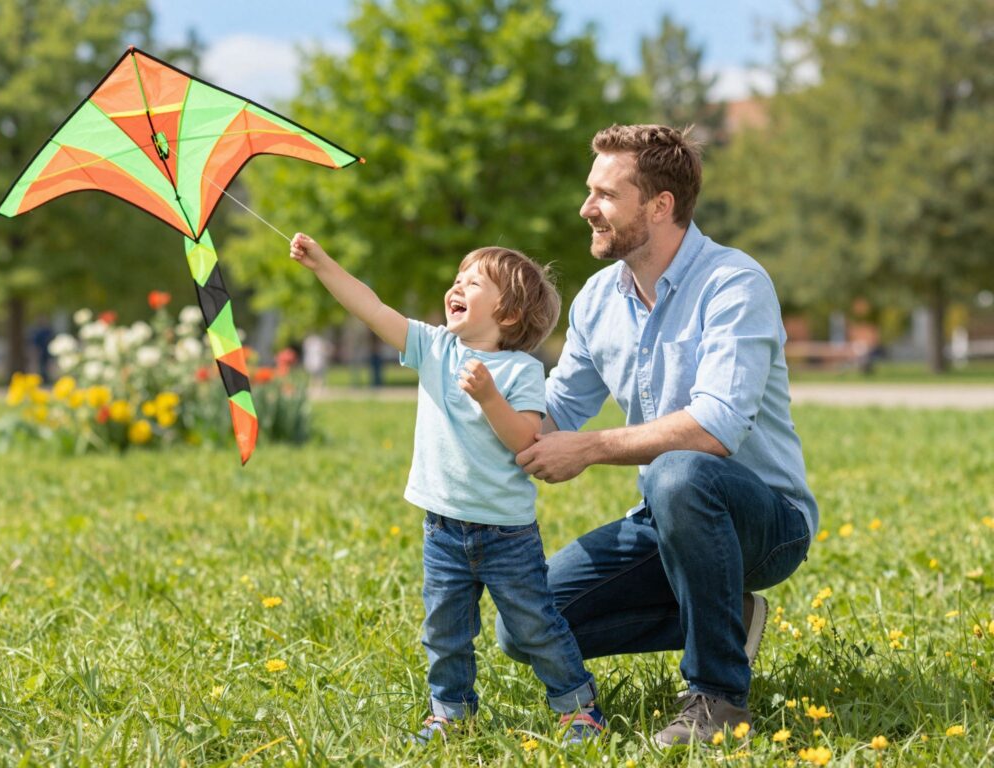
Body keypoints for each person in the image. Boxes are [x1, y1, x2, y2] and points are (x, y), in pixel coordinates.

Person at [499, 124, 818, 746]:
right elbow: (554, 413)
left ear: (659, 205)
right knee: (524, 627)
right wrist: (480, 395)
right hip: (666, 517)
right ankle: (726, 617)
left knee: (679, 470)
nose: (586, 208)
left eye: (605, 194)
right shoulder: (598, 300)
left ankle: (718, 698)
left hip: (765, 522)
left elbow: (715, 427)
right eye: (590, 190)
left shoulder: (733, 283)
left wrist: (591, 449)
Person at [288, 234, 606, 743]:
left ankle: (578, 708)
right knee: (444, 632)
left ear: (508, 315)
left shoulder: (522, 370)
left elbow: (526, 441)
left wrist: (489, 397)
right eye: (458, 278)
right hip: (442, 530)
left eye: (473, 283)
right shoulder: (435, 347)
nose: (456, 286)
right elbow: (372, 308)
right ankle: (451, 713)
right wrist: (323, 264)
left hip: (506, 535)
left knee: (535, 626)